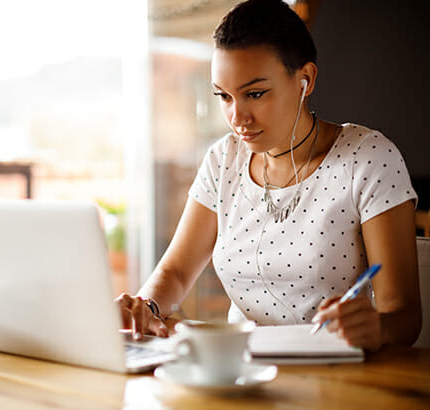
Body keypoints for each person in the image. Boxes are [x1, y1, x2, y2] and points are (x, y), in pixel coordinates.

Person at [116, 0, 421, 351]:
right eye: (224, 96)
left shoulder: (367, 159)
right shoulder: (222, 160)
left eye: (255, 94)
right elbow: (176, 273)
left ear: (305, 80)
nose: (237, 116)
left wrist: (378, 327)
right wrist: (146, 307)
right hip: (239, 371)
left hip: (333, 377)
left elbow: (405, 315)